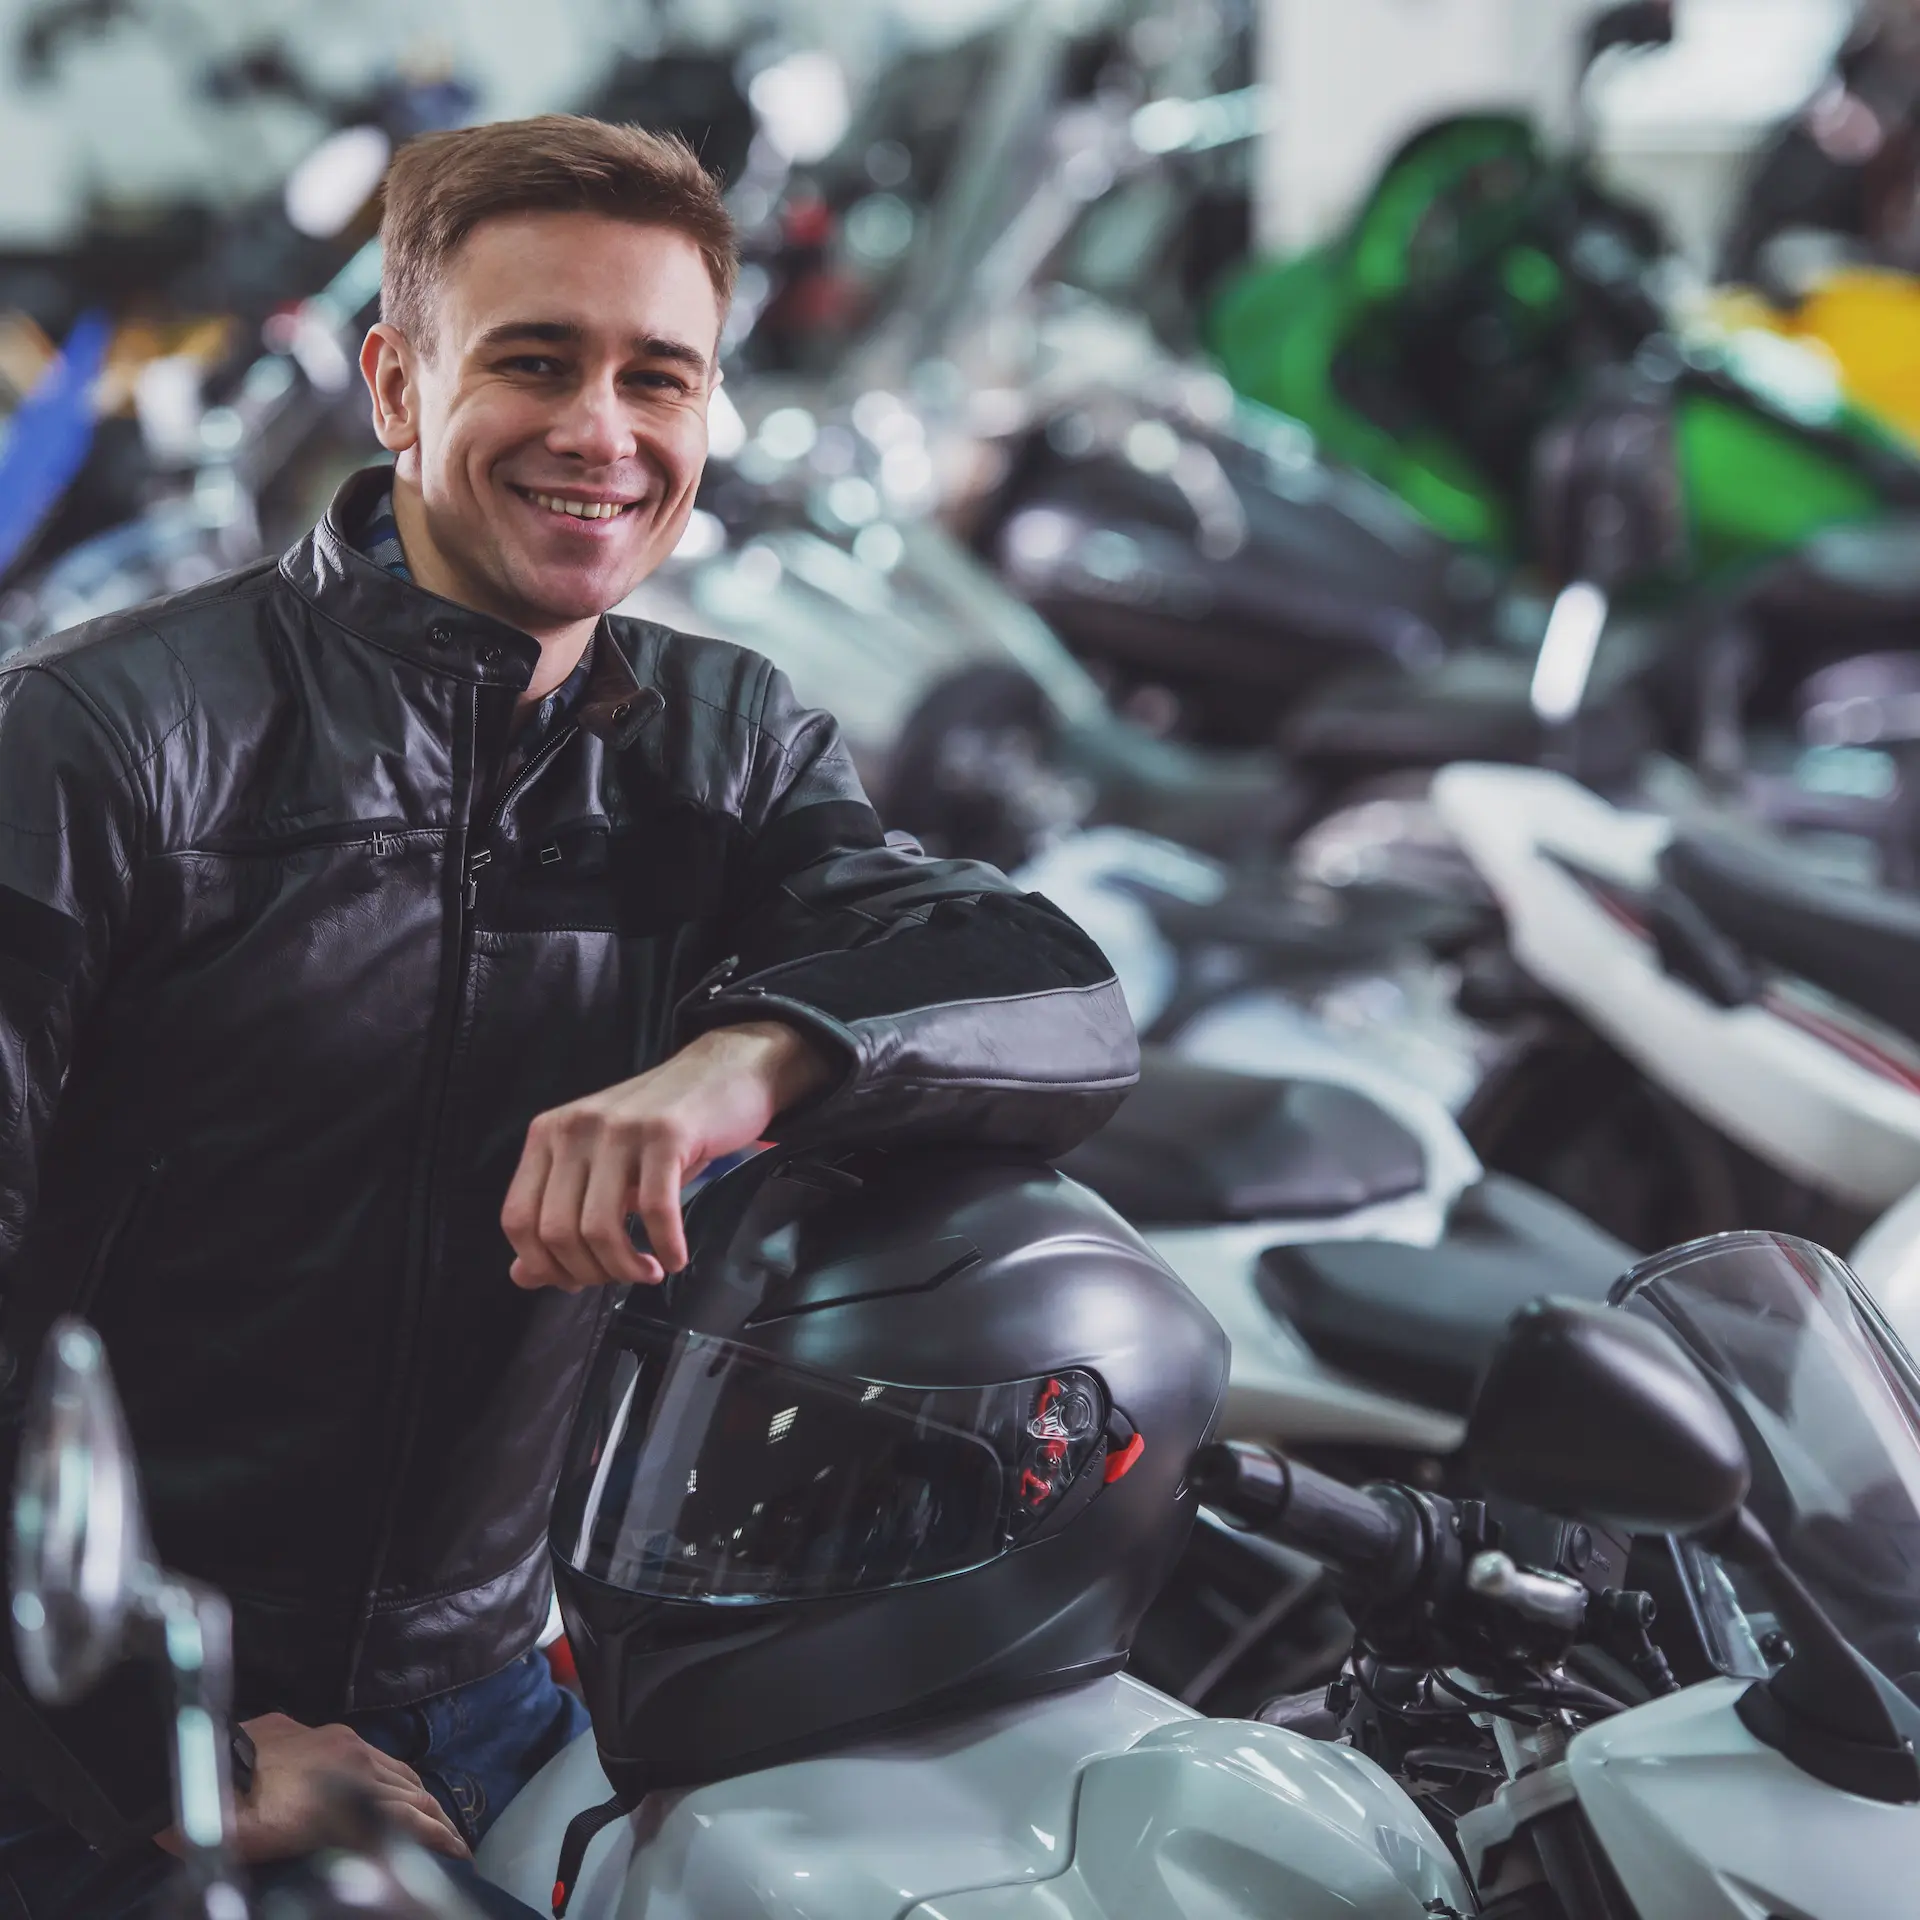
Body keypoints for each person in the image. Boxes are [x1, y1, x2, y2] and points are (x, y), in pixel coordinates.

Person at [0, 114, 1136, 1916]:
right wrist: (170, 1752)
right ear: (395, 383)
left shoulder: (721, 738)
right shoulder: (110, 740)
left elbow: (1057, 993)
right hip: (90, 1745)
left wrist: (740, 1064)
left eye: (656, 378)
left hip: (498, 1701)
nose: (601, 432)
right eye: (535, 361)